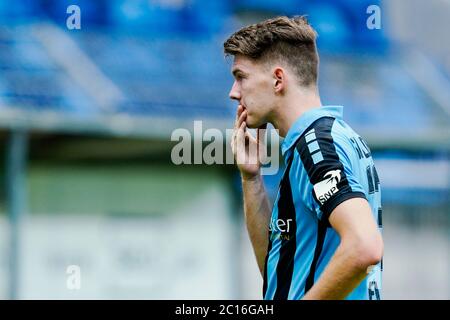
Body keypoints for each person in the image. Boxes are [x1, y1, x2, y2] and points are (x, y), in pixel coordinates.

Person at [224, 16, 383, 300]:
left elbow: (365, 247)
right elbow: (281, 275)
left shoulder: (317, 145)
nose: (234, 93)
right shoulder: (324, 139)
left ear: (277, 79)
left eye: (241, 77)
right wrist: (251, 176)